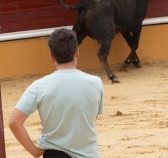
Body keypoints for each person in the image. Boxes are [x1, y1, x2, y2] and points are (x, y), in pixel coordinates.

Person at [9, 27, 103, 158]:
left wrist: (35, 152)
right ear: (77, 52)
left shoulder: (39, 86)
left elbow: (14, 122)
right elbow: (91, 119)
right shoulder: (96, 83)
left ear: (52, 57)